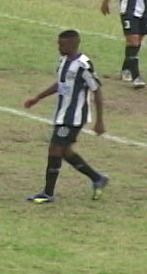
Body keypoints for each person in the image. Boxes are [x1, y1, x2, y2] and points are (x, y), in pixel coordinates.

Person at [24, 30, 108, 204]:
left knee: (54, 149)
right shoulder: (63, 61)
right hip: (62, 114)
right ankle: (97, 178)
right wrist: (38, 97)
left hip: (74, 117)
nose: (59, 47)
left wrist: (100, 121)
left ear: (72, 45)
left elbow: (96, 91)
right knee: (65, 152)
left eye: (62, 44)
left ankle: (48, 193)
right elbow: (60, 84)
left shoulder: (84, 65)